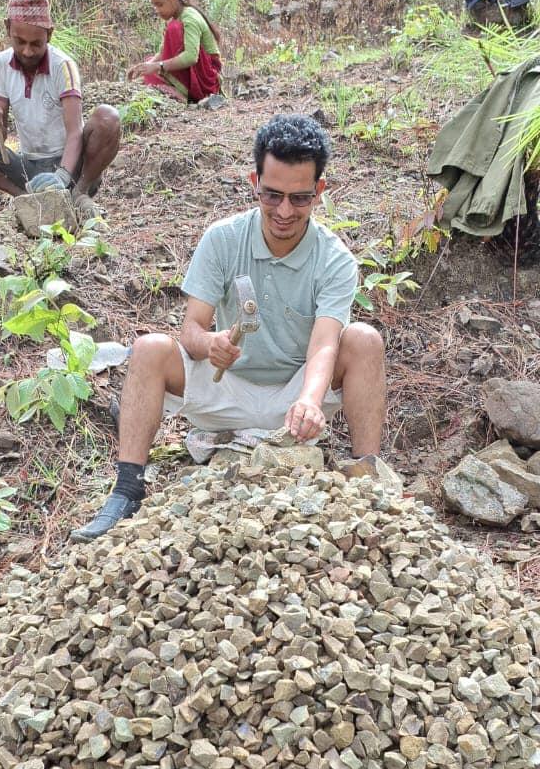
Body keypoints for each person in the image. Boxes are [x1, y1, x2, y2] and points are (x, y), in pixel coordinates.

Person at [72, 113, 386, 543]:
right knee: (149, 349)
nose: (284, 211)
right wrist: (210, 344)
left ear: (319, 192)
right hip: (225, 388)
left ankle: (366, 481)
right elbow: (191, 330)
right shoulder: (223, 239)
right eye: (272, 195)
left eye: (299, 199)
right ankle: (127, 490)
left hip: (294, 397)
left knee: (364, 340)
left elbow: (325, 346)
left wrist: (310, 402)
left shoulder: (333, 259)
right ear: (253, 183)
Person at [0, 0, 121, 209]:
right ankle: (26, 199)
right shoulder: (0, 64)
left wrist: (62, 177)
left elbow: (75, 130)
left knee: (108, 117)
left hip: (73, 165)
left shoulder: (63, 66)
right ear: (8, 28)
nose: (28, 51)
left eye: (36, 44)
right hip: (28, 167)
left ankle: (78, 194)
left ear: (49, 34)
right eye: (20, 42)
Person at [127, 0, 222, 103]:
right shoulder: (176, 18)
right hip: (195, 74)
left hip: (207, 80)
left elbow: (191, 57)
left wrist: (157, 66)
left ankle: (183, 92)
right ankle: (176, 88)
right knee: (149, 65)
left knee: (173, 29)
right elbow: (162, 53)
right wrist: (145, 67)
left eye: (160, 4)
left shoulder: (189, 18)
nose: (157, 10)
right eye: (154, 5)